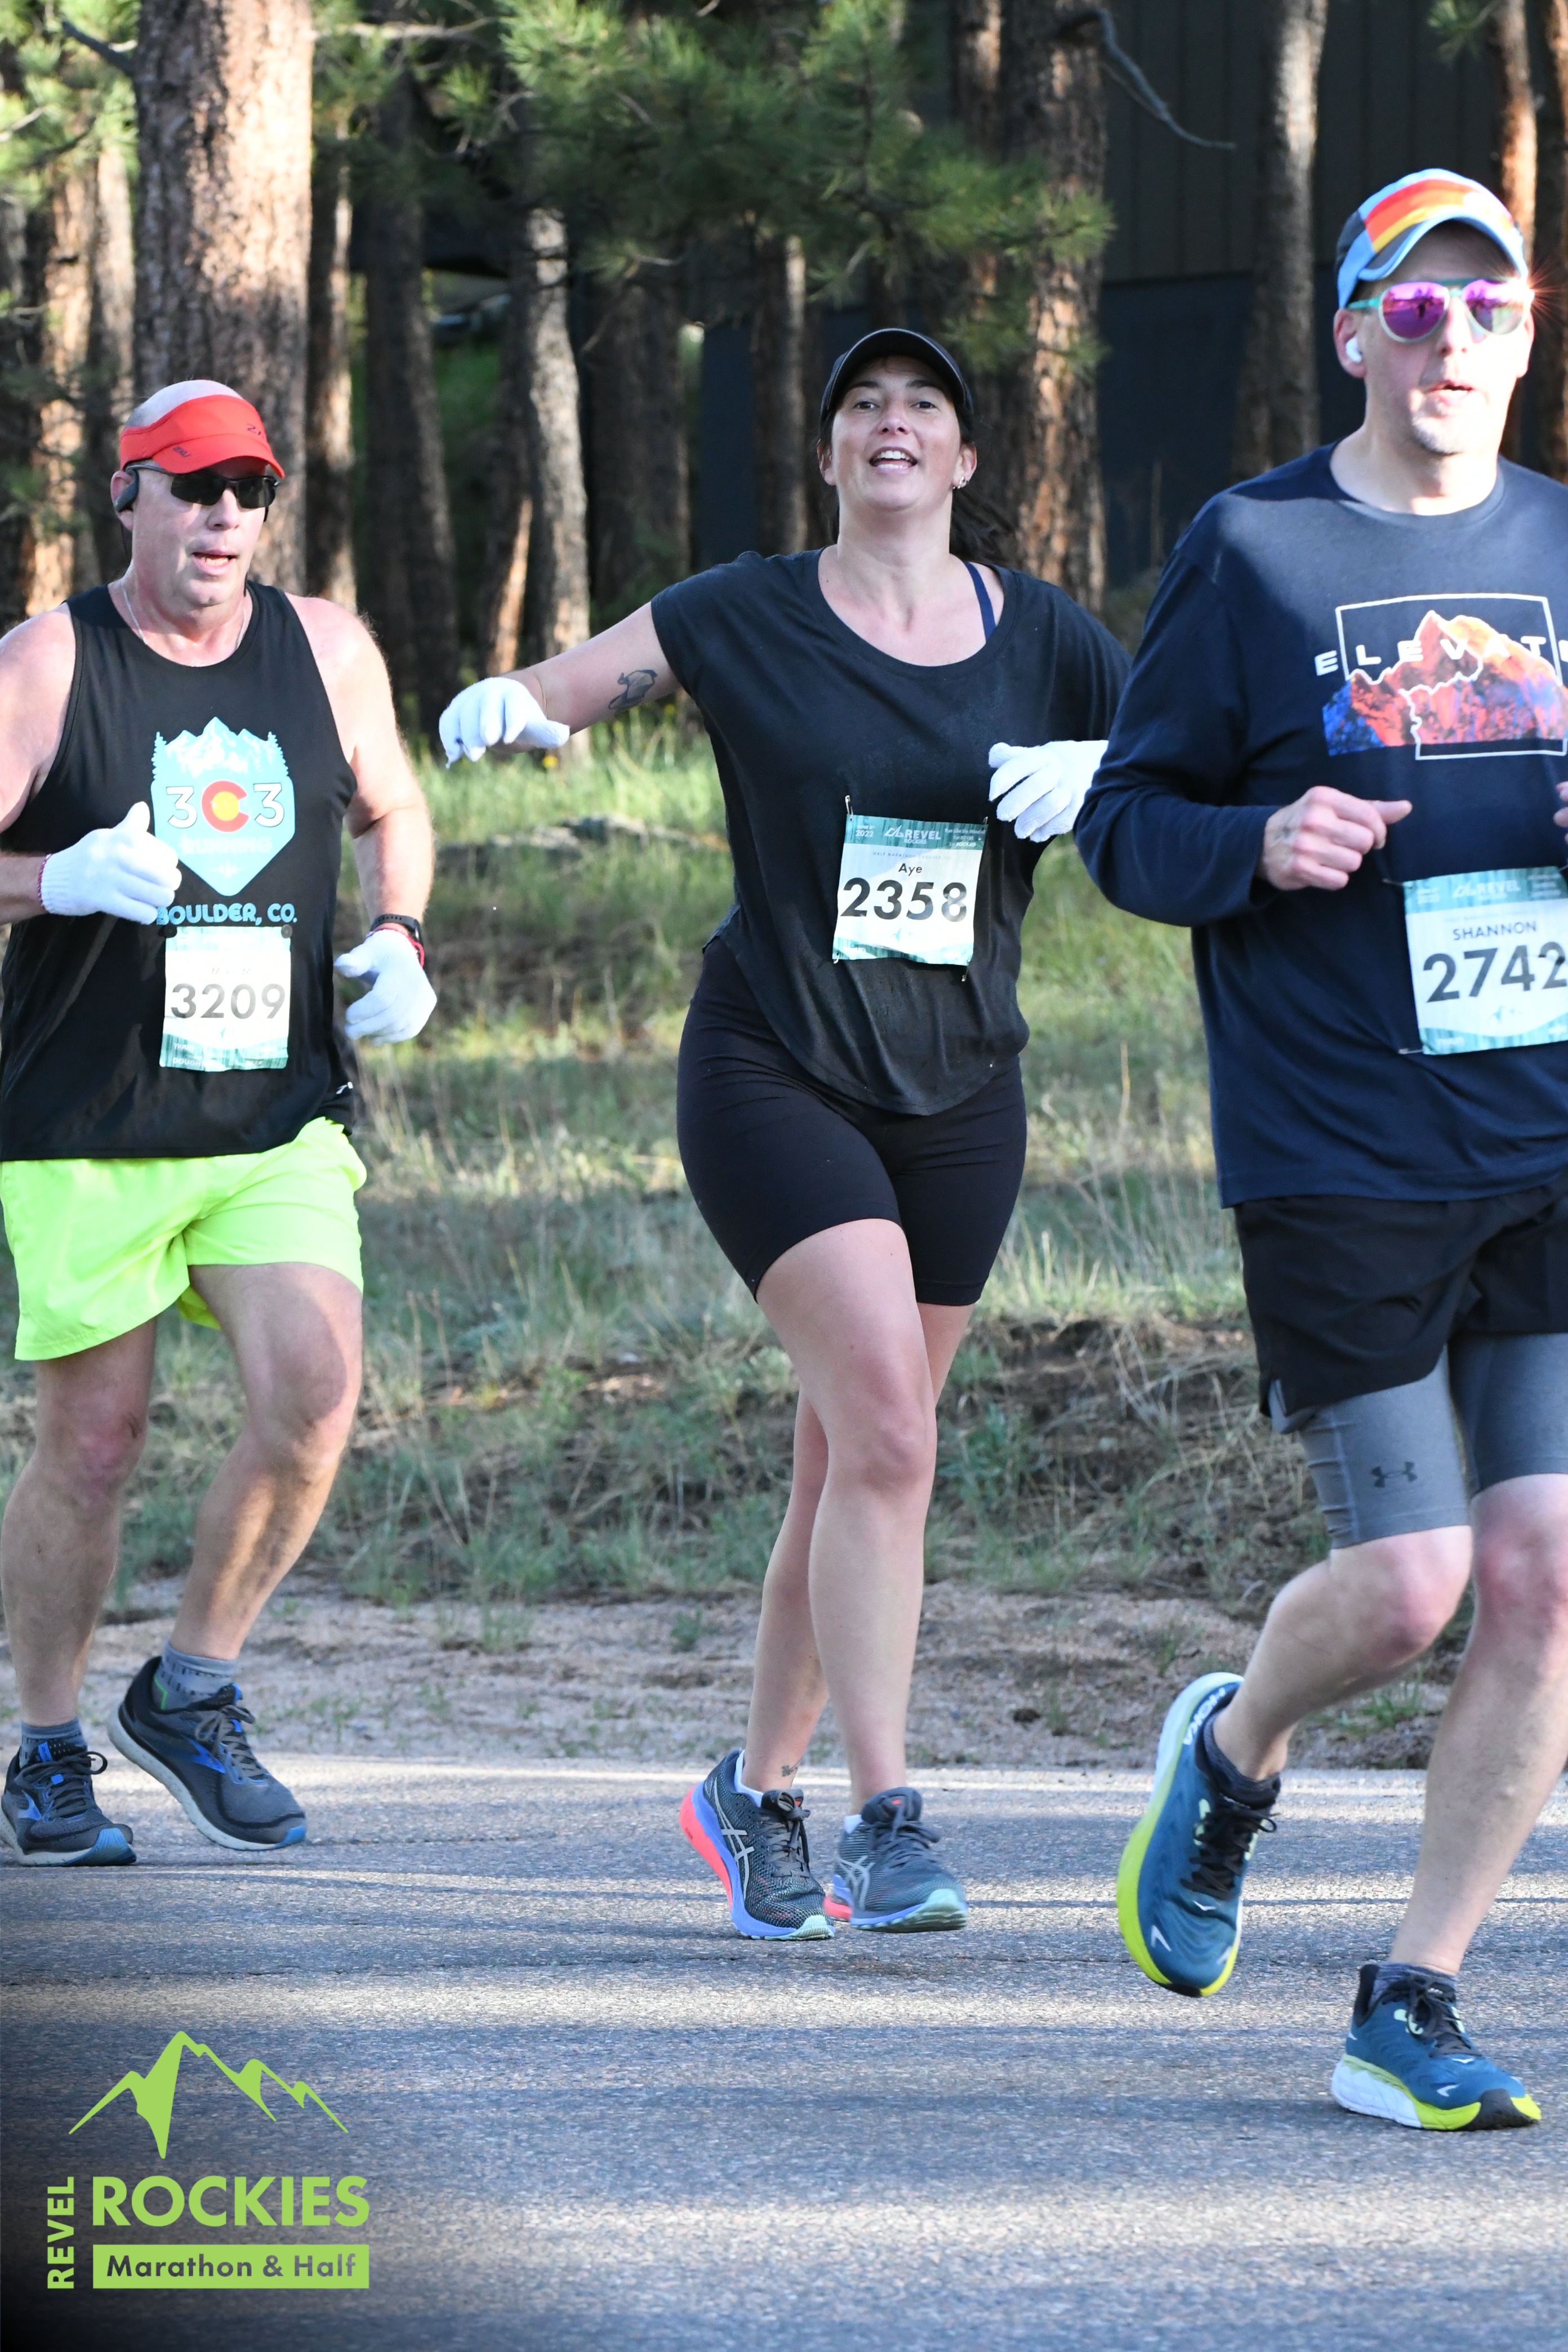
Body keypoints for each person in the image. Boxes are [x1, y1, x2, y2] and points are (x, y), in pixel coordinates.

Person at [442, 329, 1126, 1937]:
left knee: (850, 1466)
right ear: (827, 454)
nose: (893, 425)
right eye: (862, 406)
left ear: (966, 457)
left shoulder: (1049, 636)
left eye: (924, 407)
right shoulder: (745, 610)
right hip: (778, 1070)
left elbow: (1196, 763)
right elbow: (576, 685)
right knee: (890, 1437)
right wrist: (510, 706)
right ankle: (889, 1821)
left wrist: (1106, 772)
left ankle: (753, 1793)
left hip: (963, 1091)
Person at [1073, 170, 1567, 2128]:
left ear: (1526, 336)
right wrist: (1260, 841)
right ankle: (1235, 1748)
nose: (1452, 340)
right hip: (1343, 1144)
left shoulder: (1566, 541)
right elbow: (1125, 825)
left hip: (1549, 1138)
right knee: (1414, 1585)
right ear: (1354, 332)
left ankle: (1411, 1995)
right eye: (1414, 308)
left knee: (1546, 1572)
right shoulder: (1256, 551)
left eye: (1488, 307)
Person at [0, 380, 436, 1865]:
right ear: (125, 496)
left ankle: (191, 1689)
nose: (223, 516)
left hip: (270, 1114)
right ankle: (46, 1746)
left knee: (315, 1391)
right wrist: (54, 879)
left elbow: (393, 805)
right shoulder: (53, 663)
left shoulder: (327, 649)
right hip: (90, 1115)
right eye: (191, 486)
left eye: (248, 489)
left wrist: (403, 933)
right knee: (94, 1446)